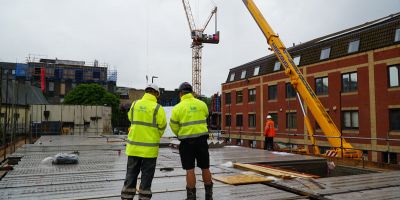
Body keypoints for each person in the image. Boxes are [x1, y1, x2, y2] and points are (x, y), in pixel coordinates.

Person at [121, 84, 167, 200]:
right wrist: (156, 135)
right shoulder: (158, 108)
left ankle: (126, 197)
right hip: (149, 150)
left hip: (133, 148)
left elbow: (130, 119)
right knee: (146, 177)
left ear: (146, 92)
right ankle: (144, 197)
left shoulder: (135, 104)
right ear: (156, 94)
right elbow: (162, 126)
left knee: (131, 175)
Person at [170, 82, 213, 200]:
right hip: (202, 141)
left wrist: (180, 134)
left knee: (189, 170)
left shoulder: (177, 108)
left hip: (186, 143)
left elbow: (173, 125)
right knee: (205, 167)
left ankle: (191, 197)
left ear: (180, 94)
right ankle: (209, 196)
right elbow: (206, 116)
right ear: (192, 92)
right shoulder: (202, 104)